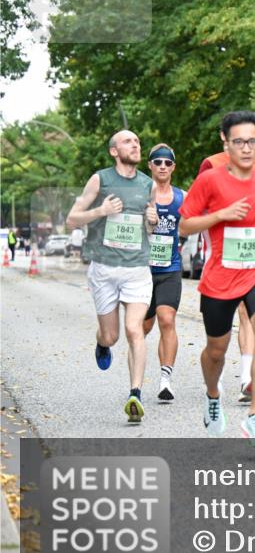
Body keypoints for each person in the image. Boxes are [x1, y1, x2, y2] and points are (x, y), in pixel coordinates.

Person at [179, 111, 255, 446]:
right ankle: (213, 395)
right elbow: (184, 225)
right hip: (220, 276)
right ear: (225, 141)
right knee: (216, 351)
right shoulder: (210, 180)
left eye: (252, 141)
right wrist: (219, 215)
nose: (246, 148)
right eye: (238, 142)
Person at [66, 130, 158, 422]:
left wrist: (152, 221)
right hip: (104, 269)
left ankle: (135, 395)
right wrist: (101, 210)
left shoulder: (148, 184)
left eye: (137, 142)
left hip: (137, 269)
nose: (135, 145)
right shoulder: (100, 179)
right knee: (113, 335)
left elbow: (150, 227)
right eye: (128, 142)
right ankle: (102, 342)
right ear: (114, 151)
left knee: (135, 330)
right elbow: (72, 218)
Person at [198, 151, 255, 403]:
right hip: (218, 257)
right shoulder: (210, 164)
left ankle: (247, 377)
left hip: (247, 253)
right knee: (217, 336)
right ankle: (214, 378)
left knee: (247, 315)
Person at [141, 144, 185, 401]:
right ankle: (135, 378)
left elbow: (196, 222)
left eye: (167, 163)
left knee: (167, 319)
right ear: (150, 165)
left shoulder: (183, 197)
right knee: (142, 328)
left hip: (171, 268)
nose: (162, 166)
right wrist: (146, 222)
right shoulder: (140, 197)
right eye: (157, 162)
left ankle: (165, 380)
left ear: (173, 167)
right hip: (142, 273)